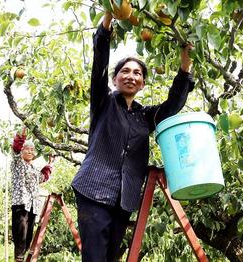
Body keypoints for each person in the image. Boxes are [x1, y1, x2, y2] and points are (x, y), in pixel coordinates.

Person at [71, 12, 194, 262]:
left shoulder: (146, 116)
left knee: (111, 257)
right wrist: (109, 17)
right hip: (94, 190)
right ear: (115, 79)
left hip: (124, 198)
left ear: (143, 84)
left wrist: (185, 63)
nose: (131, 76)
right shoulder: (103, 103)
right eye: (125, 71)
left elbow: (173, 105)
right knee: (94, 258)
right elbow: (99, 65)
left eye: (137, 73)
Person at [10, 128, 52, 261]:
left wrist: (50, 164)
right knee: (20, 235)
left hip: (33, 206)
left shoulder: (33, 168)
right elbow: (15, 148)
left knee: (28, 237)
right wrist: (22, 135)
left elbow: (43, 177)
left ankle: (23, 257)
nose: (29, 151)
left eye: (32, 150)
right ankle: (19, 258)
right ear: (22, 151)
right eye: (26, 149)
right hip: (21, 203)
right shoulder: (18, 163)